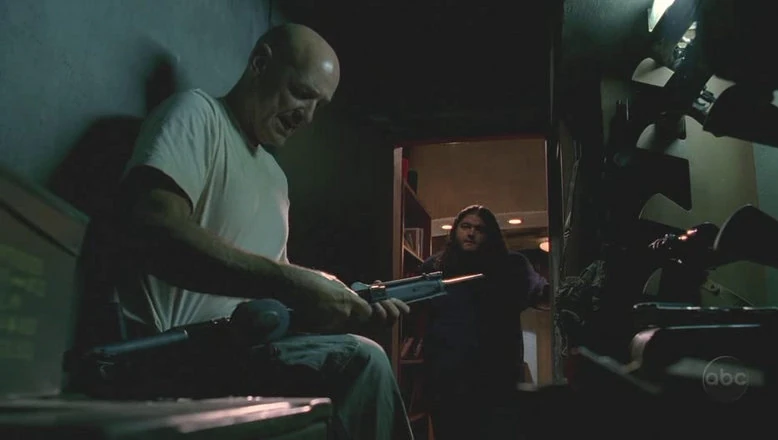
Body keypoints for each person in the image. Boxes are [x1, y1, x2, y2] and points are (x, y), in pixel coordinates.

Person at [76, 23, 414, 440]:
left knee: (354, 351)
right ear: (260, 64)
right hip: (170, 356)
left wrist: (337, 305)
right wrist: (292, 282)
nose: (307, 116)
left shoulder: (275, 178)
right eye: (301, 93)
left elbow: (272, 292)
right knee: (362, 360)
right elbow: (153, 229)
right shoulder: (197, 114)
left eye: (318, 105)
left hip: (238, 350)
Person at [420, 205, 549, 440]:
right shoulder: (435, 268)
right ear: (455, 230)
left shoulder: (511, 266)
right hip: (447, 379)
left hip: (497, 380)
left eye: (479, 229)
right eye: (466, 226)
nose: (471, 233)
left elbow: (541, 293)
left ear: (490, 235)